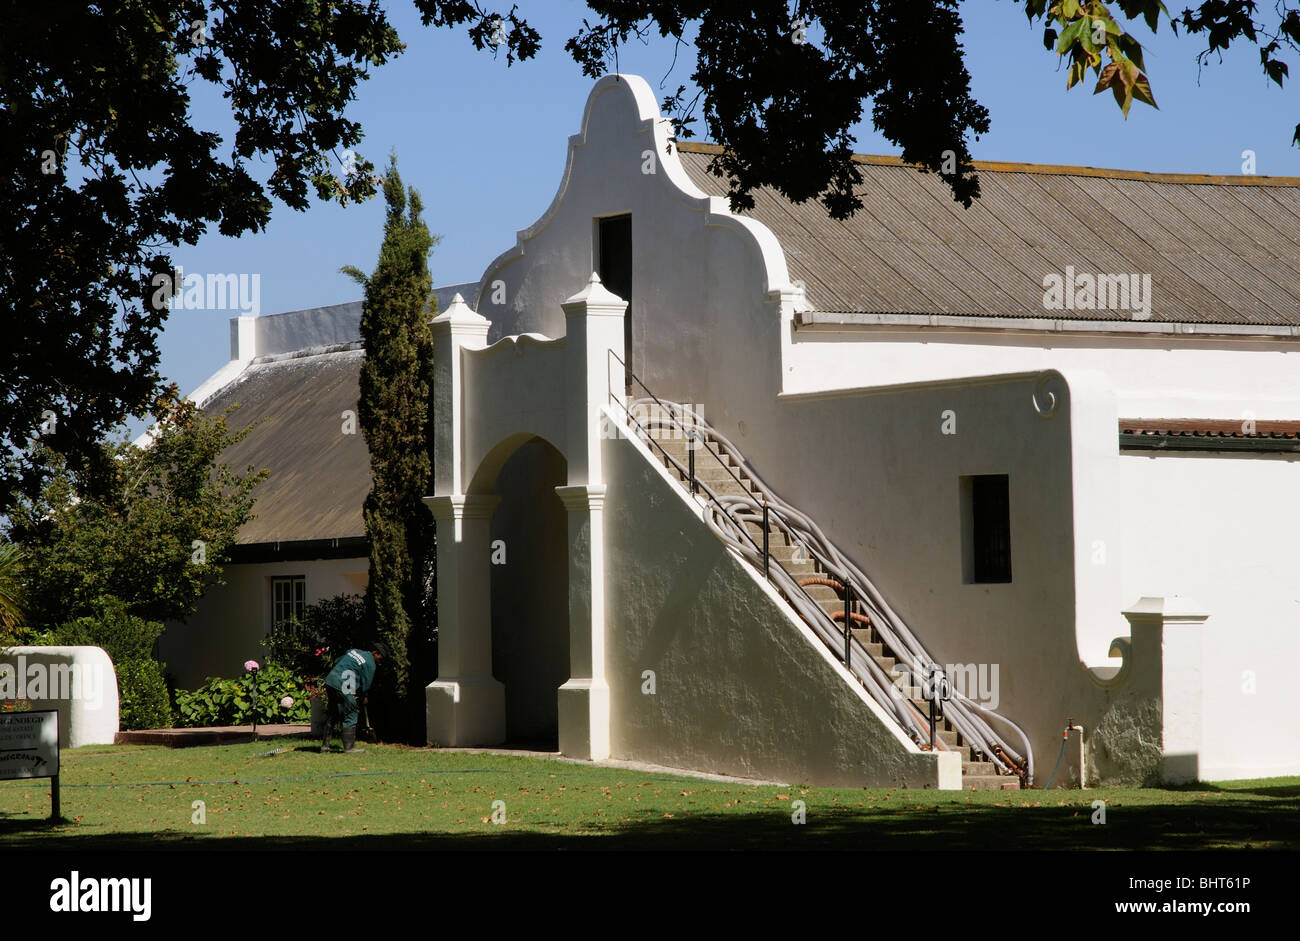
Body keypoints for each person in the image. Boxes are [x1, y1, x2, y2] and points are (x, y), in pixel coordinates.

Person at [320, 642, 391, 753]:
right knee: (351, 712)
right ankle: (349, 748)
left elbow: (337, 661)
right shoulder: (370, 663)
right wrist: (363, 697)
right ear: (375, 653)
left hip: (331, 680)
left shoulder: (354, 651)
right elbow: (365, 685)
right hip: (343, 685)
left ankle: (325, 747)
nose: (379, 661)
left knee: (334, 712)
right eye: (380, 658)